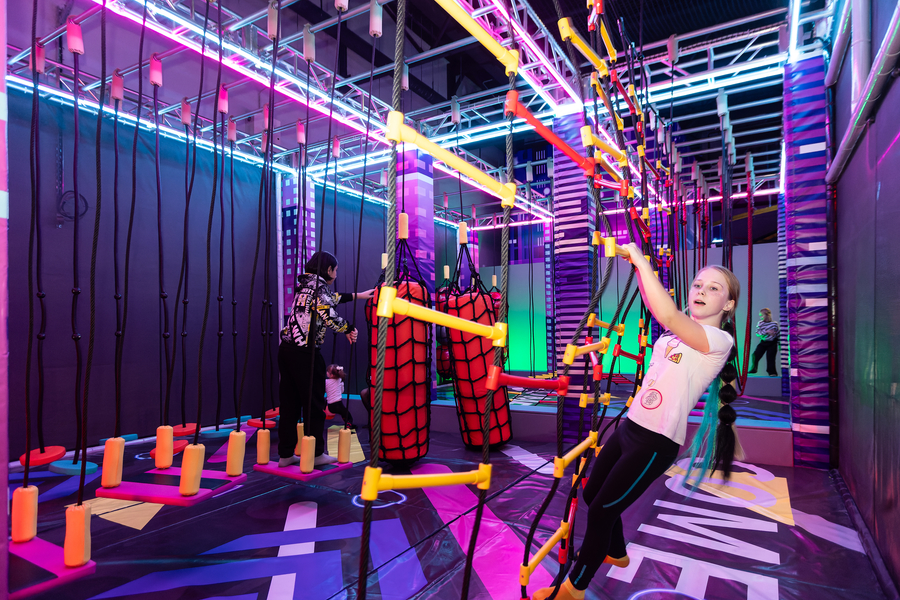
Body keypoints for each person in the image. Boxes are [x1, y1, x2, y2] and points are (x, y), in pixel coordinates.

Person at [533, 245, 741, 600]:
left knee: (602, 511)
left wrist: (642, 260)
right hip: (630, 427)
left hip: (655, 442)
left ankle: (574, 588)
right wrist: (636, 265)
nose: (702, 291)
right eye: (698, 285)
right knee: (591, 494)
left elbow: (668, 314)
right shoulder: (674, 334)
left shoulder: (719, 340)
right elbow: (661, 310)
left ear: (728, 304)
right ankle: (616, 551)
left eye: (713, 288)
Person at [278, 251, 373, 468]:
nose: (336, 274)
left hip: (287, 350)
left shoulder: (306, 285)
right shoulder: (319, 288)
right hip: (306, 353)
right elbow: (328, 313)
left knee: (289, 404)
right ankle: (316, 453)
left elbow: (331, 299)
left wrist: (358, 295)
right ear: (328, 270)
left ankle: (285, 454)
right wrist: (349, 328)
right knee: (314, 404)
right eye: (335, 270)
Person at [748, 308, 779, 377]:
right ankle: (754, 368)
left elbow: (777, 334)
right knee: (755, 355)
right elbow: (758, 333)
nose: (761, 317)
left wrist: (779, 344)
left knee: (771, 357)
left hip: (772, 343)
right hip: (763, 342)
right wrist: (767, 332)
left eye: (762, 315)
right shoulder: (760, 323)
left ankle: (772, 372)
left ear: (767, 315)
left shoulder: (774, 324)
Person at [324, 364, 354, 428]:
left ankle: (347, 424)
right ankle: (348, 424)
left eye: (328, 371)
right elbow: (342, 391)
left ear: (332, 375)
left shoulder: (326, 382)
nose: (326, 372)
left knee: (343, 414)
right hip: (338, 404)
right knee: (347, 415)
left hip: (330, 406)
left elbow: (325, 390)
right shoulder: (340, 380)